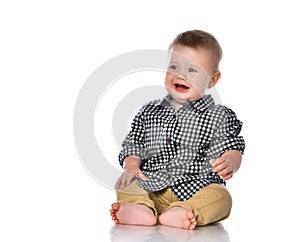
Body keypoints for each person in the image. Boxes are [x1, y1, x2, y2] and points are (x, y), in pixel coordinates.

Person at [110, 29, 245, 230]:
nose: (180, 75)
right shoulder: (150, 111)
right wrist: (131, 166)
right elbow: (134, 142)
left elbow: (232, 146)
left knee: (221, 197)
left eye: (192, 70)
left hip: (197, 187)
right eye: (174, 66)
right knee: (127, 183)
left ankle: (186, 211)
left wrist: (229, 163)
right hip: (152, 185)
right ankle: (141, 208)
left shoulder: (219, 116)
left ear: (212, 79)